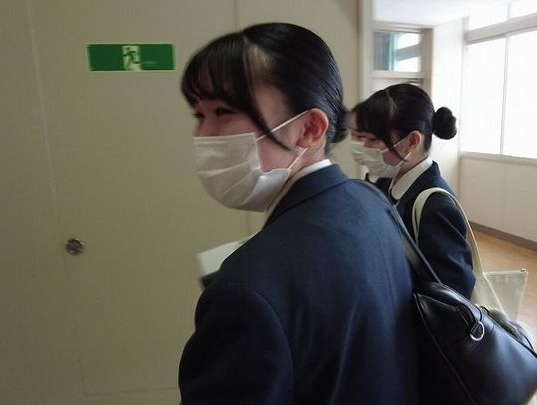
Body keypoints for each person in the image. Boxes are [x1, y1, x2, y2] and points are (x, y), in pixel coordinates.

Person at [178, 23, 419, 404]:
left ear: (308, 129)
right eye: (199, 115)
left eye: (223, 111)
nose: (203, 136)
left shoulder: (245, 291)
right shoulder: (370, 201)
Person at [353, 83, 476, 298]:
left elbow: (454, 292)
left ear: (412, 141)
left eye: (373, 139)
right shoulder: (384, 182)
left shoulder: (436, 206)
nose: (365, 148)